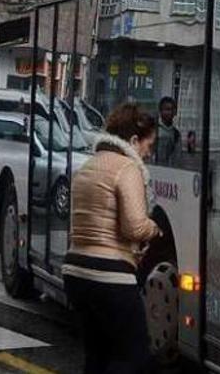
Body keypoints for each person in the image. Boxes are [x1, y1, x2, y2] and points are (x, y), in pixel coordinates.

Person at [64, 103, 162, 374]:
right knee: (134, 356)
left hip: (75, 272)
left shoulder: (88, 166)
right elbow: (134, 227)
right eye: (148, 145)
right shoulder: (127, 168)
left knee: (97, 355)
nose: (148, 153)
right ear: (133, 140)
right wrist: (155, 228)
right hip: (109, 276)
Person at [154, 96, 180, 165]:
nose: (170, 113)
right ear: (160, 111)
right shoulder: (154, 130)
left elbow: (177, 158)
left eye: (172, 110)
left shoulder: (176, 133)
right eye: (167, 109)